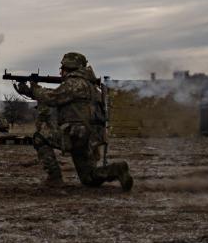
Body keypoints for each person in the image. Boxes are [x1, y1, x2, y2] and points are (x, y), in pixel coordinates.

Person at [17, 52, 133, 191]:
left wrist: (34, 88)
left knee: (40, 137)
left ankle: (54, 179)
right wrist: (32, 92)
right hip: (91, 136)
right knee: (89, 178)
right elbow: (61, 95)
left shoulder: (75, 83)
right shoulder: (90, 86)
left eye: (62, 68)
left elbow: (52, 98)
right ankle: (116, 170)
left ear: (68, 67)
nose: (61, 71)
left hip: (77, 134)